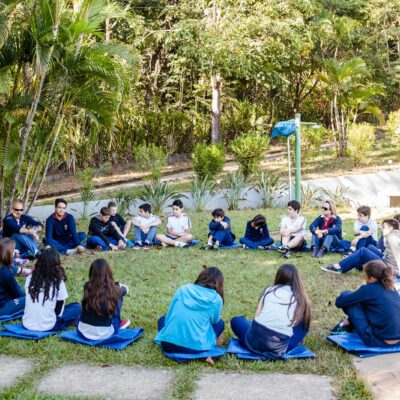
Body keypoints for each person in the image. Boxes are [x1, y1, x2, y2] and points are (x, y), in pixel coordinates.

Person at [230, 264, 311, 356]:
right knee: (304, 323)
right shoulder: (301, 298)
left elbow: (256, 317)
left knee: (236, 320)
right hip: (279, 347)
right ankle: (290, 343)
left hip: (254, 342)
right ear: (297, 280)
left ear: (279, 276)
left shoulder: (269, 290)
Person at [155, 266, 225, 356]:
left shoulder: (183, 289)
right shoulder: (216, 299)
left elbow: (170, 315)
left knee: (162, 319)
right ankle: (201, 341)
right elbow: (214, 321)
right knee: (220, 323)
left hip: (168, 345)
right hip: (196, 349)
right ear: (219, 284)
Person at [331, 260, 400, 348]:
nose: (365, 279)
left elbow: (339, 302)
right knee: (365, 303)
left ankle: (346, 324)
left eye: (365, 276)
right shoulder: (392, 288)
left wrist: (344, 294)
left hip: (377, 341)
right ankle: (348, 323)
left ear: (372, 279)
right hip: (398, 341)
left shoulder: (369, 288)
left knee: (349, 299)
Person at [22, 248, 81, 331]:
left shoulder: (29, 278)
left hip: (27, 323)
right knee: (77, 307)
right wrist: (54, 318)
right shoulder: (57, 281)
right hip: (49, 325)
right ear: (56, 264)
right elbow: (60, 305)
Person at [321, 219, 400, 276]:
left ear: (391, 228)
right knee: (370, 247)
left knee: (363, 251)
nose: (382, 229)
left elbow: (397, 255)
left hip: (389, 267)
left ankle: (338, 267)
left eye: (384, 227)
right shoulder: (394, 234)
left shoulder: (392, 237)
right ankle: (358, 265)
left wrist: (396, 272)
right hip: (386, 259)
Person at [78, 259, 130, 340]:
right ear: (108, 272)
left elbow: (101, 288)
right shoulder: (114, 290)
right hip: (105, 334)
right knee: (119, 296)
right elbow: (126, 289)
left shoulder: (87, 286)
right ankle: (118, 322)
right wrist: (118, 285)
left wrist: (116, 285)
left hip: (82, 332)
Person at [0, 239, 26, 318]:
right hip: (2, 308)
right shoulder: (5, 272)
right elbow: (18, 294)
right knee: (29, 299)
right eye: (14, 251)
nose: (15, 252)